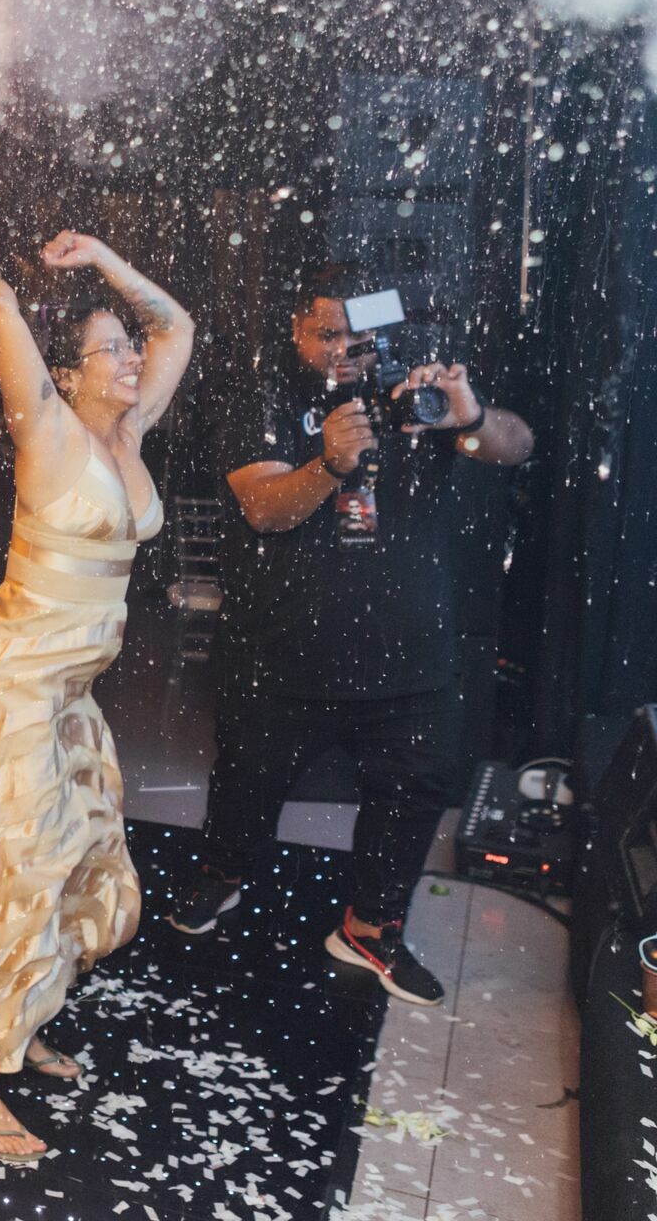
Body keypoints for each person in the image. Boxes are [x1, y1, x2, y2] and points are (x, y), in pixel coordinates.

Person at [0, 232, 197, 1163]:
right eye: (111, 349)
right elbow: (4, 323)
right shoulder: (50, 430)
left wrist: (105, 261)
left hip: (69, 698)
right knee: (16, 877)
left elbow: (177, 324)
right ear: (65, 374)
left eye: (125, 348)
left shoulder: (127, 434)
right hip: (15, 688)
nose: (132, 358)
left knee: (82, 866)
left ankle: (13, 1026)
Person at [168, 264, 534, 1005]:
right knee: (245, 783)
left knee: (413, 794)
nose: (346, 349)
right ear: (295, 332)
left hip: (411, 656)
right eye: (326, 333)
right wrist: (330, 465)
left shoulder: (415, 395)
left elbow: (516, 445)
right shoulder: (260, 393)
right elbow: (266, 509)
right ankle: (222, 877)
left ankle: (369, 928)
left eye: (360, 334)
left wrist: (467, 417)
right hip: (282, 651)